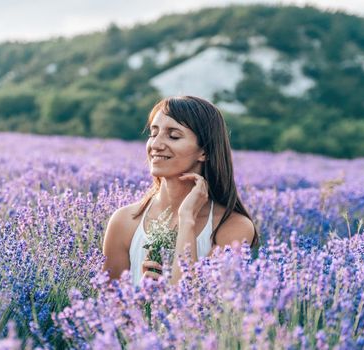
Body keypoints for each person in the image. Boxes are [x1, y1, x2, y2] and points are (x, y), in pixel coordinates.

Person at [102, 96, 259, 286]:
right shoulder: (125, 221)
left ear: (204, 151)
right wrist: (142, 299)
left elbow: (190, 304)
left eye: (173, 136)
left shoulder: (233, 227)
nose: (156, 145)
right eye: (153, 133)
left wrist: (187, 219)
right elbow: (108, 308)